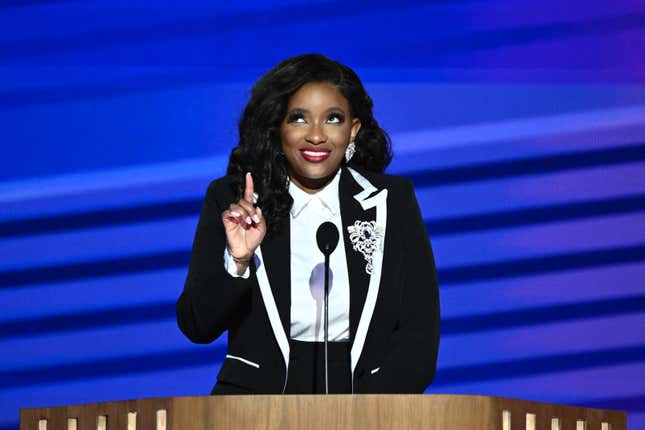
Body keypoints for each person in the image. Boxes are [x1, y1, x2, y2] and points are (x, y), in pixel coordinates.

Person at [176, 54, 440, 394]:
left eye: (333, 119)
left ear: (353, 130)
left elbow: (419, 334)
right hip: (253, 408)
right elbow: (197, 325)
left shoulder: (391, 201)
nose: (316, 136)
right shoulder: (234, 198)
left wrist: (369, 412)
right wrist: (238, 261)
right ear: (277, 127)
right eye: (299, 118)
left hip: (367, 402)